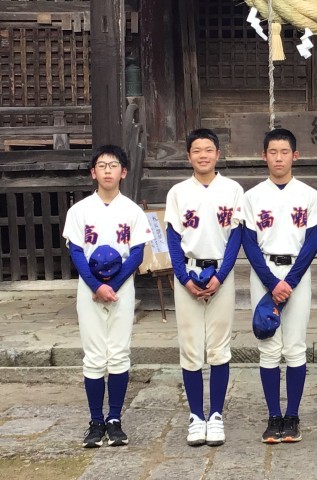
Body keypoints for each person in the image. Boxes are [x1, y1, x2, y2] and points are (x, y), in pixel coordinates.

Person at [63, 144, 153, 448]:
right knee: (93, 355)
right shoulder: (80, 211)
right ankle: (95, 421)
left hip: (121, 288)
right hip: (89, 288)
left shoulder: (132, 211)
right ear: (93, 172)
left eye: (113, 166)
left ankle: (114, 419)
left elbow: (137, 252)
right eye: (101, 166)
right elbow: (76, 251)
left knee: (118, 353)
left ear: (123, 172)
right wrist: (95, 285)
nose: (107, 171)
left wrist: (113, 284)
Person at [239, 128, 317, 443]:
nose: (278, 158)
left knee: (295, 346)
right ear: (264, 156)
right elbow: (248, 242)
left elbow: (312, 240)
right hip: (264, 273)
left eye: (284, 152)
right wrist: (271, 281)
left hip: (296, 274)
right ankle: (274, 416)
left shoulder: (309, 195)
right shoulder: (252, 196)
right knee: (268, 345)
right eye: (272, 152)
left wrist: (290, 280)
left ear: (295, 156)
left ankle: (293, 416)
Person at [165, 128, 243, 447]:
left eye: (208, 150)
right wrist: (183, 277)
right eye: (197, 150)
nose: (203, 155)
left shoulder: (233, 190)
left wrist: (220, 276)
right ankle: (196, 416)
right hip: (188, 272)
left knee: (219, 347)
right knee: (191, 348)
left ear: (218, 154)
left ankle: (216, 415)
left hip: (221, 273)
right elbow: (172, 238)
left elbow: (236, 236)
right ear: (189, 156)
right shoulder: (178, 192)